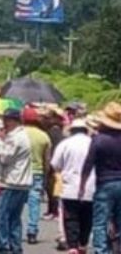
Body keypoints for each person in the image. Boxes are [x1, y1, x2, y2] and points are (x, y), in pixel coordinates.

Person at [82, 102, 121, 254]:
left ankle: (101, 251)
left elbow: (88, 163)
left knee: (100, 222)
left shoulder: (99, 139)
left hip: (105, 183)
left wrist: (82, 184)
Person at [0, 108, 34, 254]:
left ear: (13, 121)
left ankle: (2, 246)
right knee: (15, 218)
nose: (4, 123)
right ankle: (15, 246)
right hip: (21, 182)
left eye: (6, 120)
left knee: (3, 216)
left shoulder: (15, 137)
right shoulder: (21, 135)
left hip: (12, 181)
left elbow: (4, 158)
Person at [52, 118, 95, 254]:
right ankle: (83, 244)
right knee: (87, 217)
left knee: (71, 218)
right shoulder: (92, 143)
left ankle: (72, 246)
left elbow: (55, 164)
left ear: (71, 130)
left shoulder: (65, 144)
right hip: (90, 187)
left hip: (70, 187)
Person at [23, 106, 53, 245]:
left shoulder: (18, 133)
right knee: (34, 203)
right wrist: (46, 175)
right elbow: (47, 160)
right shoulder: (44, 136)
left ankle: (14, 230)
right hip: (37, 172)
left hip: (19, 173)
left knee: (15, 204)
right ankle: (32, 231)